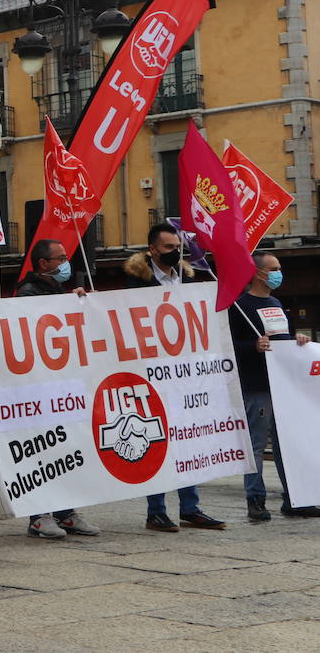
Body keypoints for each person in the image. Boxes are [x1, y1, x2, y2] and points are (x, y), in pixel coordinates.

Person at [124, 222, 225, 532]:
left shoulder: (190, 278)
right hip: (152, 373)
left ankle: (190, 507)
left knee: (188, 439)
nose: (175, 253)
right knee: (156, 442)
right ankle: (156, 511)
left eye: (178, 247)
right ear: (152, 249)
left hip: (185, 373)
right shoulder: (135, 283)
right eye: (168, 248)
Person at [13, 239, 100, 539]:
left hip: (62, 383)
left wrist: (75, 301)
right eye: (60, 258)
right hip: (39, 385)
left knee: (67, 448)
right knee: (44, 449)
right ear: (43, 264)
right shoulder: (27, 292)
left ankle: (66, 512)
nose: (66, 262)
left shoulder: (55, 290)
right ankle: (39, 515)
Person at [230, 252, 319, 520]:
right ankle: (255, 500)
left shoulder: (277, 302)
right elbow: (230, 346)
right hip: (257, 385)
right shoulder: (239, 306)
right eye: (274, 268)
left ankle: (295, 498)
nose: (279, 273)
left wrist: (298, 340)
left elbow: (285, 339)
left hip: (284, 387)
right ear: (258, 273)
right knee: (256, 444)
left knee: (288, 443)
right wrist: (253, 346)